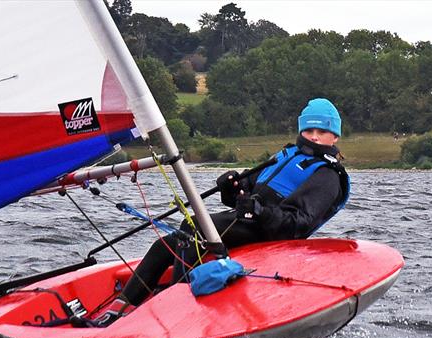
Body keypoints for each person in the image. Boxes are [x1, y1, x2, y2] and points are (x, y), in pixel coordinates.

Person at [91, 98, 351, 326]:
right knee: (166, 245)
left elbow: (298, 225)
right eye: (309, 130)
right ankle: (118, 310)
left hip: (273, 236)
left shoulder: (327, 175)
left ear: (335, 137)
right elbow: (244, 195)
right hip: (250, 223)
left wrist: (261, 211)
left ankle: (175, 305)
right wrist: (232, 187)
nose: (314, 136)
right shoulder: (286, 155)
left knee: (192, 228)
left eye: (322, 131)